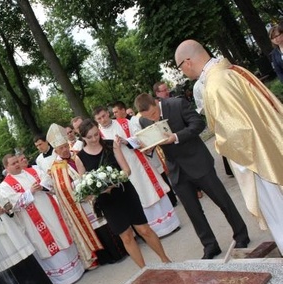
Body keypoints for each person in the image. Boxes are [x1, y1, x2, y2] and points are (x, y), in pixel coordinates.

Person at [175, 39, 283, 253]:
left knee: (277, 210)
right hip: (269, 145)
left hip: (257, 161)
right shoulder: (232, 70)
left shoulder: (215, 85)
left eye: (179, 67)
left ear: (187, 63)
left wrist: (220, 144)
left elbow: (237, 134)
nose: (183, 72)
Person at [134, 92, 251, 259]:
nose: (152, 118)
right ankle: (210, 245)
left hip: (198, 162)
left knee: (222, 200)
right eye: (149, 117)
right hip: (177, 170)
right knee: (193, 212)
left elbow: (198, 124)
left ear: (156, 102)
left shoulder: (177, 104)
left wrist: (176, 137)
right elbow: (153, 139)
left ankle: (241, 235)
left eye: (153, 114)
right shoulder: (143, 120)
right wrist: (148, 147)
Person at [74, 119, 171, 268]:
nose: (94, 139)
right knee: (126, 237)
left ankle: (166, 260)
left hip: (125, 192)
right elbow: (85, 186)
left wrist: (115, 181)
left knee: (143, 229)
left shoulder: (110, 144)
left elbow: (126, 170)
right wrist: (95, 191)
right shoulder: (80, 158)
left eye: (96, 135)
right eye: (90, 137)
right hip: (107, 202)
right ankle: (144, 270)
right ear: (83, 138)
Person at [0, 154, 84, 284]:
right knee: (48, 245)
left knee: (60, 235)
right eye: (13, 163)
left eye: (17, 162)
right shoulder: (5, 185)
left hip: (50, 210)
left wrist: (42, 185)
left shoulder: (32, 170)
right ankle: (61, 280)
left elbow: (47, 178)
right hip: (34, 222)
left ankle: (77, 270)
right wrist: (30, 192)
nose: (17, 164)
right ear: (6, 167)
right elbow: (12, 203)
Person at [94, 106, 180, 237]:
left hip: (139, 163)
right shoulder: (99, 136)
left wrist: (126, 141)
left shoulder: (124, 122)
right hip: (123, 170)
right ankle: (152, 232)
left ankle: (170, 224)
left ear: (108, 113)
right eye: (99, 118)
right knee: (137, 197)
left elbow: (140, 138)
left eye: (104, 116)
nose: (103, 120)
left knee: (152, 190)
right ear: (96, 120)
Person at [46, 123, 103, 270]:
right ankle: (101, 257)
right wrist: (81, 183)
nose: (65, 150)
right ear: (56, 150)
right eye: (61, 148)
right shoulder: (55, 167)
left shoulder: (78, 154)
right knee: (93, 228)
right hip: (80, 205)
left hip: (95, 197)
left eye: (66, 146)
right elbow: (62, 188)